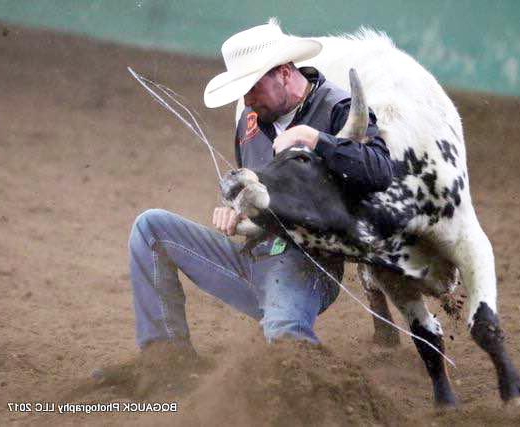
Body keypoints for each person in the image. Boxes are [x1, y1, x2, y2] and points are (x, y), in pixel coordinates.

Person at [127, 21, 393, 365]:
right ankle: (165, 362)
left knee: (285, 337)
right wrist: (236, 210)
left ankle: (322, 398)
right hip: (254, 256)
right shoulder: (250, 121)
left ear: (284, 73)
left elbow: (380, 169)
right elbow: (255, 189)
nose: (247, 100)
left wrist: (316, 139)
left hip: (306, 265)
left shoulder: (337, 106)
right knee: (151, 228)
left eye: (253, 87)